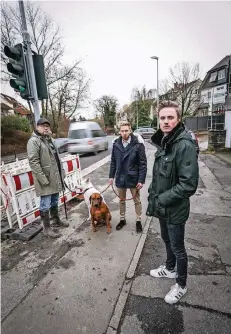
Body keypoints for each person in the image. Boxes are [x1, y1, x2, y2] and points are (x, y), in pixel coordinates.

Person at [147, 100, 199, 304]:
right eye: (162, 118)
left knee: (178, 248)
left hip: (175, 209)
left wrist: (162, 198)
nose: (166, 121)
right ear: (158, 120)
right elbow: (160, 176)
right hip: (162, 207)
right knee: (167, 240)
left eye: (170, 117)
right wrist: (153, 194)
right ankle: (169, 269)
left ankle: (181, 284)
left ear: (178, 119)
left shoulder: (184, 145)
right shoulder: (165, 141)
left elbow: (188, 185)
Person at [27, 118, 69, 238]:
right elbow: (33, 162)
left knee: (55, 200)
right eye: (43, 126)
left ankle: (56, 220)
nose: (46, 128)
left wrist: (62, 173)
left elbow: (56, 158)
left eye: (47, 126)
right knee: (45, 204)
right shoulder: (34, 141)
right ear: (37, 126)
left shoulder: (49, 140)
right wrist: (43, 179)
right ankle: (47, 228)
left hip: (55, 177)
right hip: (45, 179)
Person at [109, 121, 147, 233]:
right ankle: (122, 219)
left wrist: (141, 180)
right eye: (122, 131)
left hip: (133, 177)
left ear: (130, 130)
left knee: (137, 200)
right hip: (120, 176)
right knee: (121, 200)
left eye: (126, 130)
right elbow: (113, 162)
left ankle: (138, 220)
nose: (124, 133)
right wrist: (111, 176)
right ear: (119, 131)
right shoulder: (116, 144)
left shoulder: (138, 144)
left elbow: (143, 163)